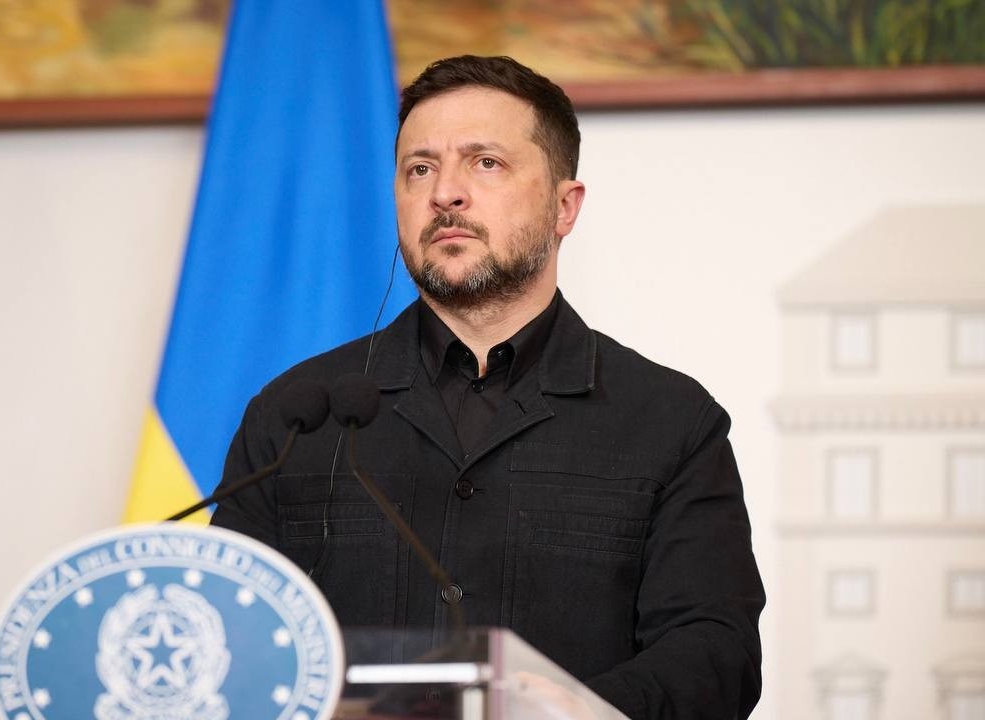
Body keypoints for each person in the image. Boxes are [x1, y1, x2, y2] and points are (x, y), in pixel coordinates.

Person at [211, 55, 764, 719]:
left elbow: (716, 654)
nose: (445, 193)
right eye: (420, 169)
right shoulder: (295, 416)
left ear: (564, 207)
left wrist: (575, 711)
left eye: (485, 163)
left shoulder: (671, 421)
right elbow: (224, 640)